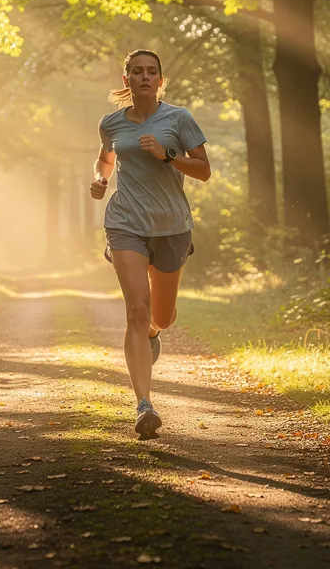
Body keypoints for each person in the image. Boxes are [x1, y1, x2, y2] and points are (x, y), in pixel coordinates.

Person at [89, 49, 211, 440]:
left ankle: (155, 333)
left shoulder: (179, 118)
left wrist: (168, 155)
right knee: (136, 310)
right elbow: (105, 159)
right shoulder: (111, 123)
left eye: (151, 71)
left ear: (161, 80)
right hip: (125, 222)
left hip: (172, 226)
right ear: (126, 80)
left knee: (161, 315)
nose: (144, 77)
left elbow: (204, 171)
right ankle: (144, 405)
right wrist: (100, 180)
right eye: (136, 71)